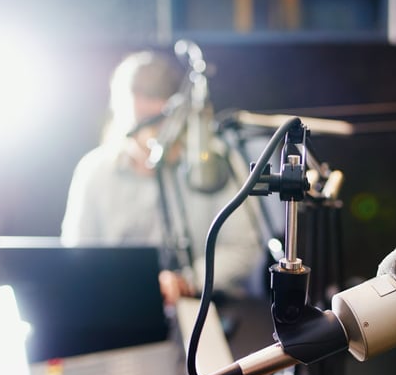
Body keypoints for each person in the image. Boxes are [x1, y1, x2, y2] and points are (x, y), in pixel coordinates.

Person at [61, 50, 263, 304]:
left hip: (206, 304)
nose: (151, 134)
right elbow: (76, 256)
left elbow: (244, 247)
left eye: (159, 121)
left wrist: (187, 281)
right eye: (141, 120)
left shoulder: (216, 164)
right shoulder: (93, 170)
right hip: (118, 306)